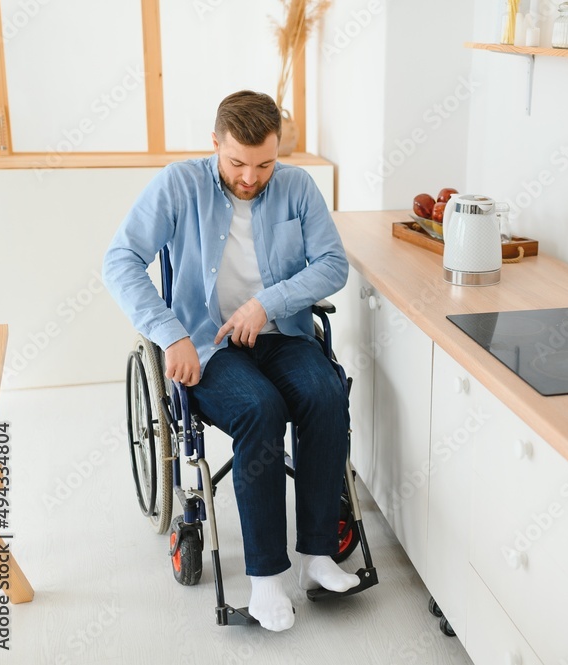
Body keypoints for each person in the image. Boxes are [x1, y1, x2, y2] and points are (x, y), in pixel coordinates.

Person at [103, 90, 355, 632]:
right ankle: (265, 581)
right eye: (237, 162)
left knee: (325, 391)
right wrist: (170, 336)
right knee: (259, 409)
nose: (250, 176)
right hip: (208, 343)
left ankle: (316, 557)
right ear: (215, 143)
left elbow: (334, 265)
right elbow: (120, 260)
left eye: (264, 163)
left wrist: (268, 303)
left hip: (282, 332)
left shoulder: (296, 187)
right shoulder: (180, 184)